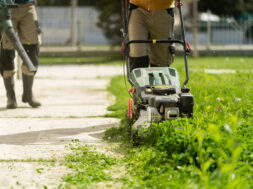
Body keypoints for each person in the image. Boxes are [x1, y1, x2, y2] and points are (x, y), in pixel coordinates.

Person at [0, 0, 41, 109]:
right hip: (7, 6)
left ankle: (28, 94)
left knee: (32, 45)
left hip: (27, 5)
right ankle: (11, 97)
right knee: (7, 49)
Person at [128, 0, 175, 72]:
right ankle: (138, 82)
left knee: (161, 62)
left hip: (164, 9)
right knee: (137, 55)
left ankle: (158, 82)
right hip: (137, 9)